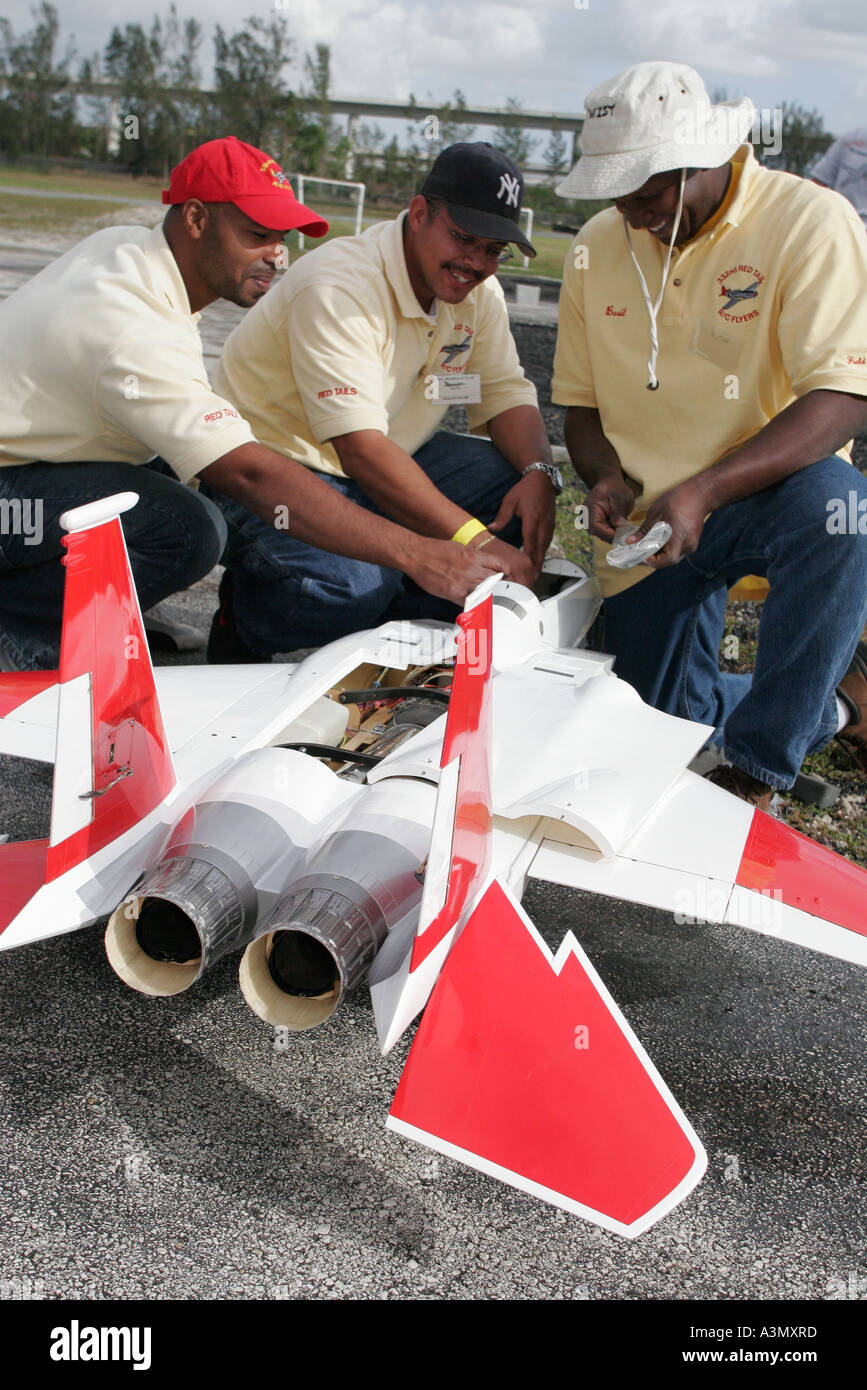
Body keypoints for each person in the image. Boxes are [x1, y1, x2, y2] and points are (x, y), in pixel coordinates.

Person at [0, 137, 499, 671]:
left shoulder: (134, 249)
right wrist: (419, 554)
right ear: (194, 219)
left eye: (280, 237)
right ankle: (24, 640)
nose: (276, 255)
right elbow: (251, 477)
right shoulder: (131, 328)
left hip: (37, 463)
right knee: (186, 526)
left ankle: (106, 607)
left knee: (173, 466)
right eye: (257, 235)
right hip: (10, 503)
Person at [552, 61, 867, 808]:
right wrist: (604, 477)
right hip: (647, 524)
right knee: (658, 730)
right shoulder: (598, 247)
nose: (630, 212)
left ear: (703, 160)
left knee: (840, 512)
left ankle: (757, 768)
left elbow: (843, 396)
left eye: (647, 193)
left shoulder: (808, 221)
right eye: (615, 195)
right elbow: (579, 407)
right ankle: (836, 706)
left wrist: (705, 488)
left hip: (759, 494)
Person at [208, 141, 561, 661]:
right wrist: (471, 542)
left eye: (493, 250)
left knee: (509, 480)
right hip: (270, 468)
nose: (477, 263)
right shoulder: (341, 286)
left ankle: (392, 626)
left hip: (383, 457)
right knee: (350, 587)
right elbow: (359, 449)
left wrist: (539, 473)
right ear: (419, 214)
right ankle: (246, 625)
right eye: (464, 239)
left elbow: (505, 391)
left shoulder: (476, 295)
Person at [811, 128, 867, 230]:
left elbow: (815, 185)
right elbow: (817, 183)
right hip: (841, 224)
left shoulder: (849, 139)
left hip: (841, 226)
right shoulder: (848, 140)